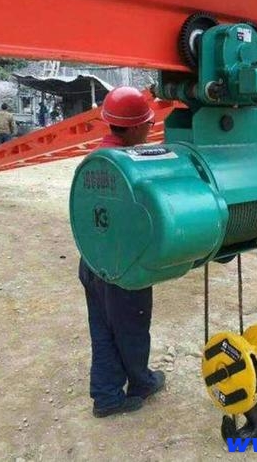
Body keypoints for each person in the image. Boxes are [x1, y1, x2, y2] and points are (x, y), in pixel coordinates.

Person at [78, 86, 164, 418]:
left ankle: (106, 395)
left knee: (102, 330)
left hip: (92, 260)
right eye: (148, 123)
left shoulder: (94, 159)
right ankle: (141, 383)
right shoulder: (131, 165)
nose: (150, 129)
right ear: (134, 127)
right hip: (123, 266)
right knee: (132, 328)